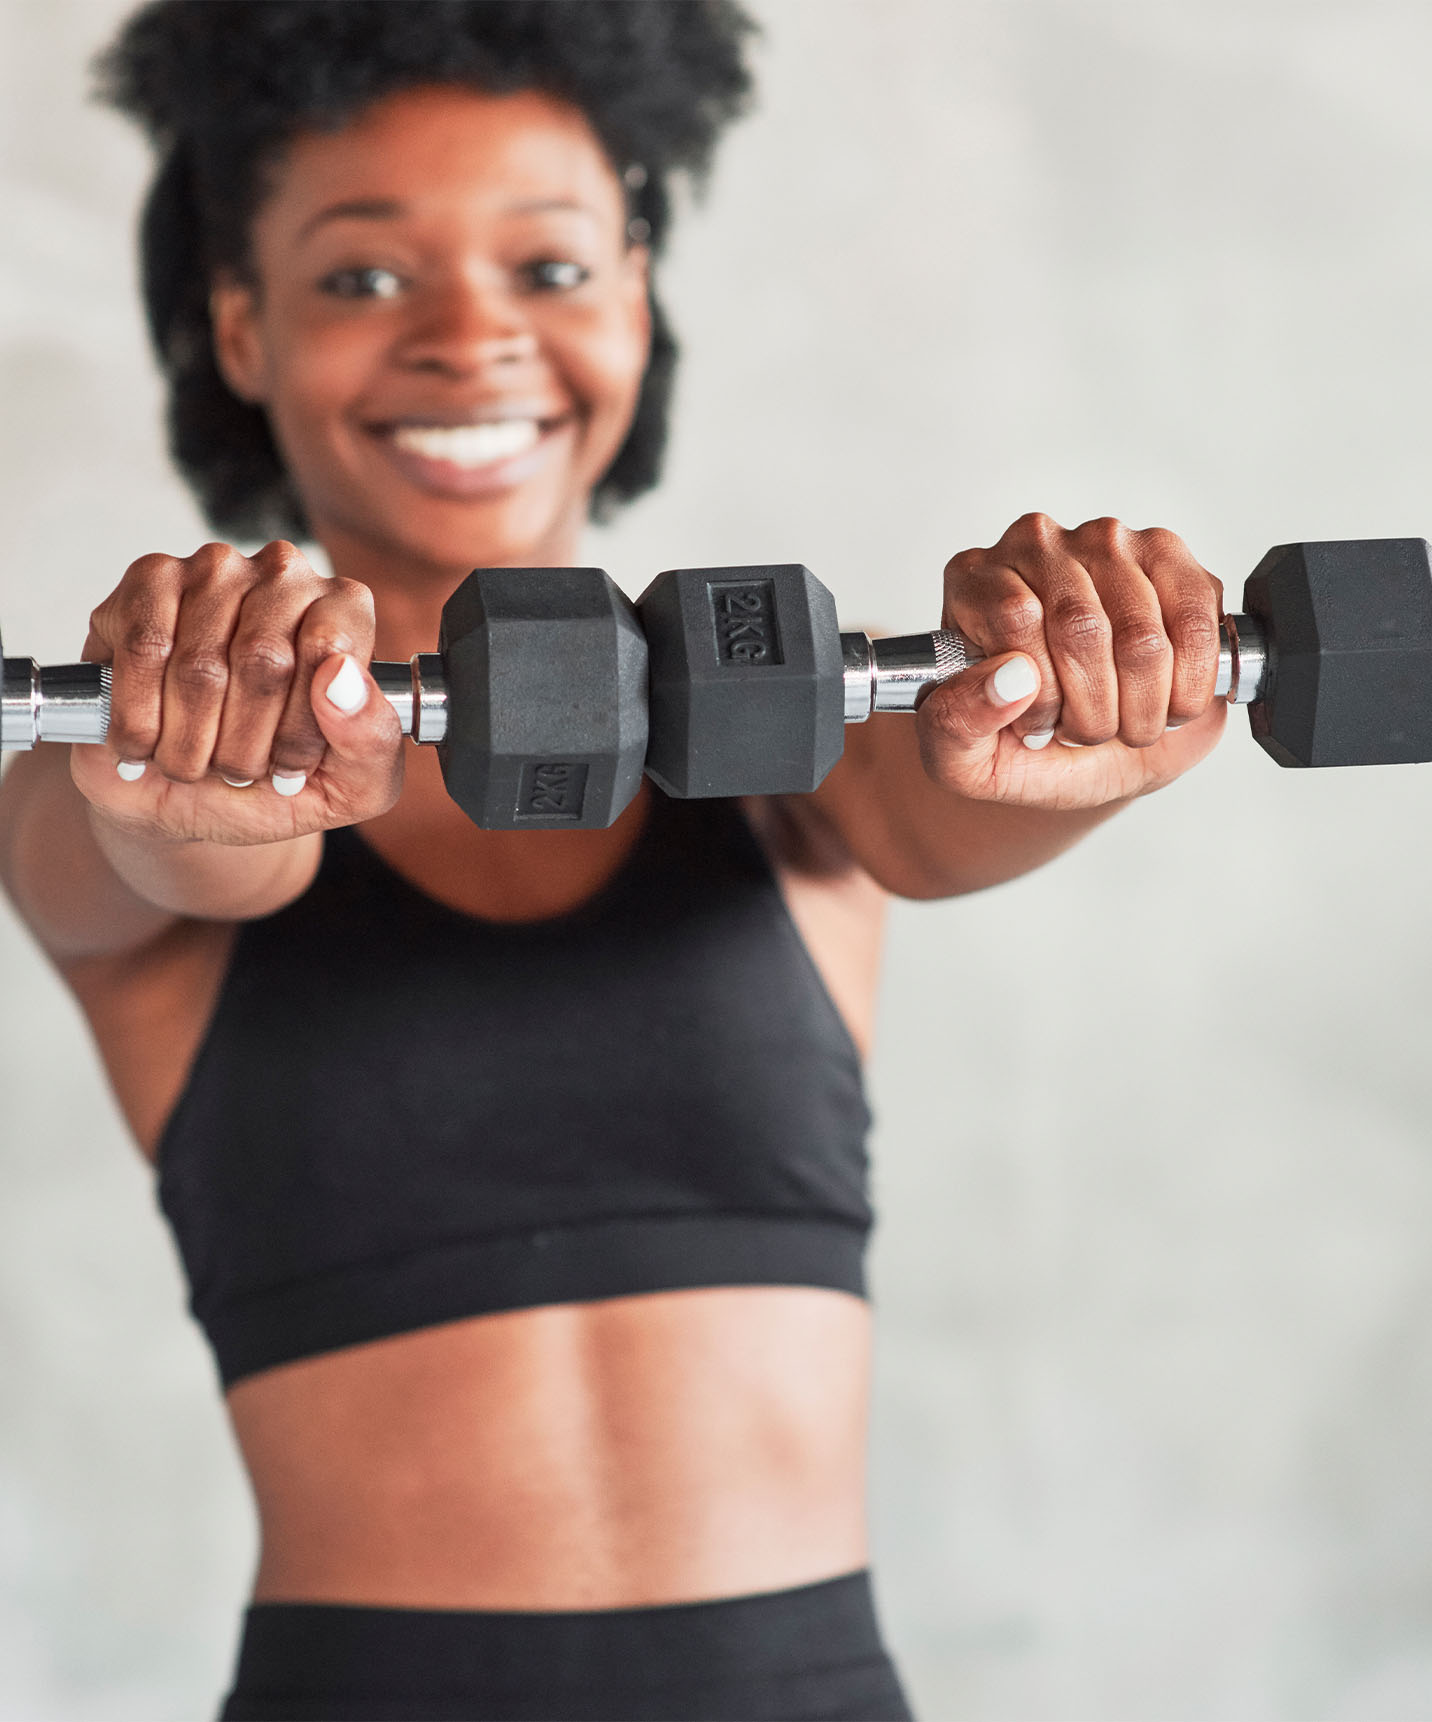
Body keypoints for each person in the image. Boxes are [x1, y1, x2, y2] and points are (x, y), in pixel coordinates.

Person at [0, 3, 1228, 1718]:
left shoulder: (800, 733)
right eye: (364, 275)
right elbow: (149, 851)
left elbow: (958, 792)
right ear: (242, 328)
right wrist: (171, 778)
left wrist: (1094, 719)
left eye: (553, 267)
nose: (469, 338)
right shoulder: (107, 773)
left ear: (638, 300)